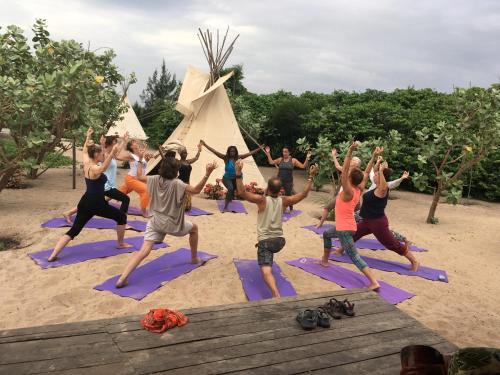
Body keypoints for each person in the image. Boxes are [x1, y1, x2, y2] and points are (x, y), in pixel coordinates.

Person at [115, 151, 218, 288]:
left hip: (155, 222)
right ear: (176, 171)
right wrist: (207, 173)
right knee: (194, 229)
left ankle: (123, 277)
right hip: (173, 224)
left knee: (144, 250)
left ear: (162, 168)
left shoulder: (154, 178)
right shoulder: (178, 183)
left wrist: (140, 160)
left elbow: (138, 176)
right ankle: (193, 258)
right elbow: (196, 190)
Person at [235, 159, 319, 297]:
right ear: (280, 190)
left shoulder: (262, 200)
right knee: (269, 249)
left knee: (266, 271)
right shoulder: (285, 201)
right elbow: (304, 194)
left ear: (267, 189)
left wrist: (238, 173)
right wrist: (311, 176)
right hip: (280, 241)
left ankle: (276, 294)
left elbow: (242, 192)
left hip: (266, 242)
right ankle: (269, 260)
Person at [47, 128, 131, 261]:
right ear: (96, 154)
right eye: (101, 154)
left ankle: (53, 255)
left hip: (85, 201)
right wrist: (112, 153)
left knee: (74, 230)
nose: (102, 155)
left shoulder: (86, 162)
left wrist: (87, 137)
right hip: (96, 204)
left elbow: (85, 150)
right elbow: (103, 168)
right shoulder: (94, 168)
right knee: (121, 217)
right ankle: (120, 244)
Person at [334, 160, 420, 272]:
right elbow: (370, 173)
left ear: (381, 178)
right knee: (354, 235)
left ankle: (414, 261)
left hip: (378, 223)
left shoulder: (382, 189)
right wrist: (378, 166)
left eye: (376, 174)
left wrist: (381, 171)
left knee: (392, 244)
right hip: (367, 221)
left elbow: (384, 186)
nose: (374, 175)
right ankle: (340, 250)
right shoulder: (376, 186)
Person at [320, 142, 382, 290]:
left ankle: (373, 281)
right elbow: (366, 173)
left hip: (345, 229)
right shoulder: (359, 189)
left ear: (349, 179)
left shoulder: (347, 191)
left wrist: (349, 151)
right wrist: (373, 156)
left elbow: (345, 169)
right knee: (327, 234)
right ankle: (324, 260)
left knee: (354, 256)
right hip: (346, 226)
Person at [62, 132, 131, 224]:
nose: (116, 145)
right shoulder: (104, 155)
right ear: (110, 144)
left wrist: (124, 141)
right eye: (115, 143)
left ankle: (68, 212)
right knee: (125, 199)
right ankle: (122, 220)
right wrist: (102, 144)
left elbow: (116, 151)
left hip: (108, 186)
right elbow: (109, 155)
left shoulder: (111, 154)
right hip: (105, 186)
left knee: (89, 203)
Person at [201, 140, 263, 211]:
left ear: (236, 152)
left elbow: (249, 153)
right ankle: (225, 207)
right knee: (230, 188)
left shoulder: (238, 157)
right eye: (231, 151)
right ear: (228, 152)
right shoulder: (225, 158)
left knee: (238, 191)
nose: (232, 153)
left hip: (237, 178)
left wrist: (259, 148)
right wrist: (205, 144)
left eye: (233, 151)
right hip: (227, 178)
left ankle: (230, 199)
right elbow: (214, 151)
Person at [317, 148, 362, 228]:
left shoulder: (357, 173)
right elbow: (337, 166)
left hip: (351, 196)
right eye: (352, 159)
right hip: (342, 194)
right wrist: (334, 156)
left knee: (353, 213)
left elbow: (359, 185)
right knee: (328, 207)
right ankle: (320, 223)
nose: (352, 160)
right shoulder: (346, 170)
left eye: (354, 160)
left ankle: (352, 227)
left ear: (357, 164)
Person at [264, 146, 311, 211]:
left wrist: (307, 158)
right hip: (279, 181)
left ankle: (291, 209)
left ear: (289, 152)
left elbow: (303, 166)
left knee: (289, 196)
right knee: (275, 194)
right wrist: (268, 154)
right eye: (283, 152)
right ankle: (274, 207)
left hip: (288, 182)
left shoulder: (293, 160)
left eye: (286, 152)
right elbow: (271, 162)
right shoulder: (280, 159)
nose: (284, 153)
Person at [119, 139, 152, 217]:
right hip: (131, 179)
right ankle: (143, 211)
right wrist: (124, 141)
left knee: (119, 192)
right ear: (131, 146)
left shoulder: (140, 154)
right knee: (146, 190)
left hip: (138, 179)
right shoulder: (131, 155)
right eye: (134, 143)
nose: (136, 143)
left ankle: (104, 200)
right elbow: (118, 156)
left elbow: (142, 165)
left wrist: (147, 159)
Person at [178, 142, 202, 211]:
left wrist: (199, 150)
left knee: (187, 196)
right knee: (181, 195)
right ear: (180, 154)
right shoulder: (178, 162)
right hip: (180, 182)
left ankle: (185, 207)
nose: (185, 154)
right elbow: (166, 160)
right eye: (183, 153)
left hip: (187, 181)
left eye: (186, 153)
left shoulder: (188, 162)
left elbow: (196, 157)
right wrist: (161, 151)